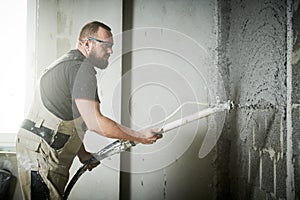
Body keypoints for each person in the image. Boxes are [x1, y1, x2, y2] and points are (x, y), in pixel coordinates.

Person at [16, 21, 162, 200]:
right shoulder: (81, 70)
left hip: (39, 149)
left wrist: (83, 153)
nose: (110, 51)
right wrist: (139, 135)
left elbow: (70, 118)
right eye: (106, 45)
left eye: (112, 46)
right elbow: (94, 122)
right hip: (42, 155)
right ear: (87, 43)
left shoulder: (68, 64)